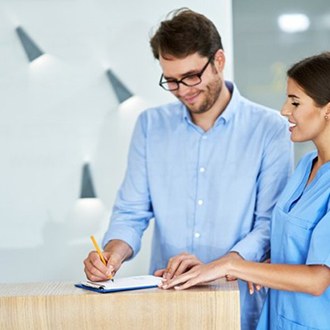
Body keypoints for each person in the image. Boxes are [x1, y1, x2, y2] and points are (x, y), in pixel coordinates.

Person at [83, 8, 293, 329]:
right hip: (165, 306)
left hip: (237, 305)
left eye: (192, 76)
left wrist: (217, 267)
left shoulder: (270, 129)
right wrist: (113, 253)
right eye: (171, 80)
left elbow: (268, 225)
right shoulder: (150, 125)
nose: (183, 90)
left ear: (219, 61)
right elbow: (131, 212)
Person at [159, 52, 330, 329]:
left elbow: (318, 279)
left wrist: (231, 265)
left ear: (328, 109)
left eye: (295, 102)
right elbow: (290, 251)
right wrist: (210, 268)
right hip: (277, 319)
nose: (285, 110)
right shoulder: (305, 167)